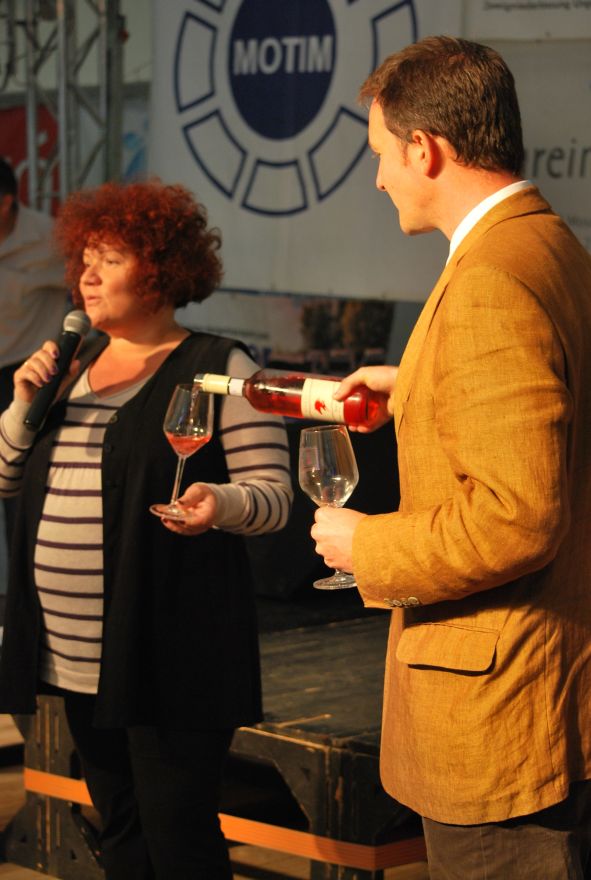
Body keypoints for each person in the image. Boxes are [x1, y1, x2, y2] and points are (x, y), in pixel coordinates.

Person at [309, 35, 591, 880]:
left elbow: (517, 518)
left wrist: (367, 547)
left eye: (380, 154)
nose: (377, 178)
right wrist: (421, 383)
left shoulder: (488, 279)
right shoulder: (547, 244)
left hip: (501, 722)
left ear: (424, 149)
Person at [0, 178, 293, 880]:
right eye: (85, 259)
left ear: (161, 270)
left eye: (111, 259)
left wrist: (219, 503)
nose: (88, 276)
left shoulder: (220, 366)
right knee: (122, 826)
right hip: (73, 656)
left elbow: (277, 497)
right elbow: (7, 477)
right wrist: (21, 404)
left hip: (168, 651)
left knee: (178, 835)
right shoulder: (72, 366)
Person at [0, 157, 68, 544]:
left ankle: (21, 573)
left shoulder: (50, 239)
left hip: (25, 377)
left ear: (6, 202)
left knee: (18, 485)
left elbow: (90, 290)